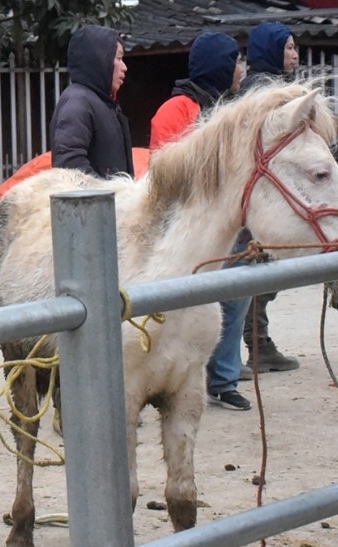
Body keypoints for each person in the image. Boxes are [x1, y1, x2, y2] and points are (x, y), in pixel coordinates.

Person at [148, 32, 251, 410]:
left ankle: (224, 379)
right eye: (236, 61)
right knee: (187, 305)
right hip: (187, 228)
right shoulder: (175, 110)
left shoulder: (230, 110)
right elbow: (170, 172)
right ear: (220, 65)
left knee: (236, 298)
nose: (242, 68)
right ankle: (176, 376)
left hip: (227, 225)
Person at [236, 21, 302, 380]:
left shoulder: (273, 87)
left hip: (269, 195)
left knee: (264, 272)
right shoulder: (264, 93)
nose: (295, 54)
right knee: (257, 271)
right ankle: (254, 346)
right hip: (261, 197)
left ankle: (256, 345)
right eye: (289, 48)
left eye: (294, 48)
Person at [50, 25, 134, 179]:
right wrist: (103, 195)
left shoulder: (104, 103)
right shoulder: (77, 102)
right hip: (93, 202)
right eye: (119, 58)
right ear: (100, 60)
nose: (124, 67)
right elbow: (70, 164)